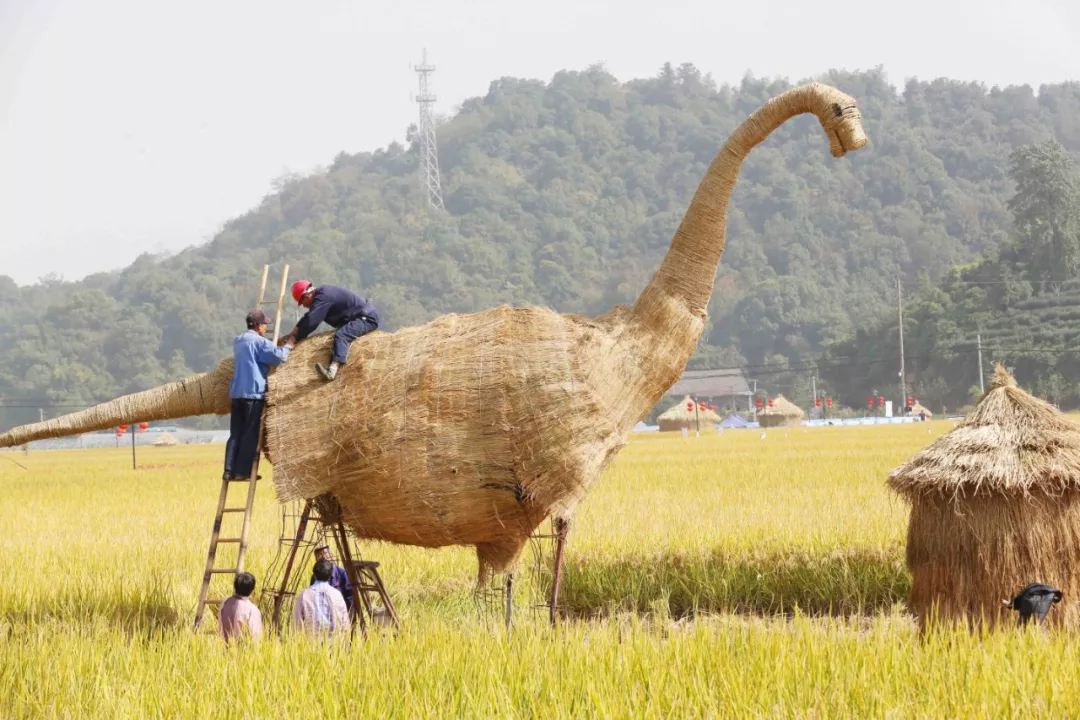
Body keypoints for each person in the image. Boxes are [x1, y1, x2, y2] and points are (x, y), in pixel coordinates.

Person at [224, 309, 293, 481]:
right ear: (258, 326)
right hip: (253, 393)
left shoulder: (238, 341)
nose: (265, 327)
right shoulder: (260, 342)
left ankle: (228, 470)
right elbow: (278, 358)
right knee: (250, 433)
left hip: (237, 392)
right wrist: (288, 346)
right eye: (264, 325)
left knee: (236, 433)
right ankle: (242, 472)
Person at [279, 280, 380, 382]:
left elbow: (311, 322)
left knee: (341, 335)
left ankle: (332, 371)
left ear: (307, 296)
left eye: (303, 303)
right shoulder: (322, 295)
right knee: (336, 341)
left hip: (366, 318)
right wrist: (293, 333)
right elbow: (309, 317)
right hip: (356, 317)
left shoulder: (324, 296)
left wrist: (295, 339)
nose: (304, 306)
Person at [293, 559, 351, 638]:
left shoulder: (304, 595)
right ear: (330, 576)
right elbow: (345, 624)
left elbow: (297, 624)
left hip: (310, 644)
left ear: (314, 575)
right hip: (335, 644)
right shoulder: (337, 595)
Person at [219, 571, 263, 644]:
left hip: (223, 650)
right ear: (252, 590)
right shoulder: (252, 610)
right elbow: (256, 638)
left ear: (235, 586)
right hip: (244, 653)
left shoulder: (225, 602)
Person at [309, 544, 353, 611]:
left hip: (339, 611)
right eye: (319, 554)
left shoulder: (341, 573)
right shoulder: (315, 576)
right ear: (316, 559)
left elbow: (349, 595)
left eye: (325, 553)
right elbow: (312, 596)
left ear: (331, 554)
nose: (323, 556)